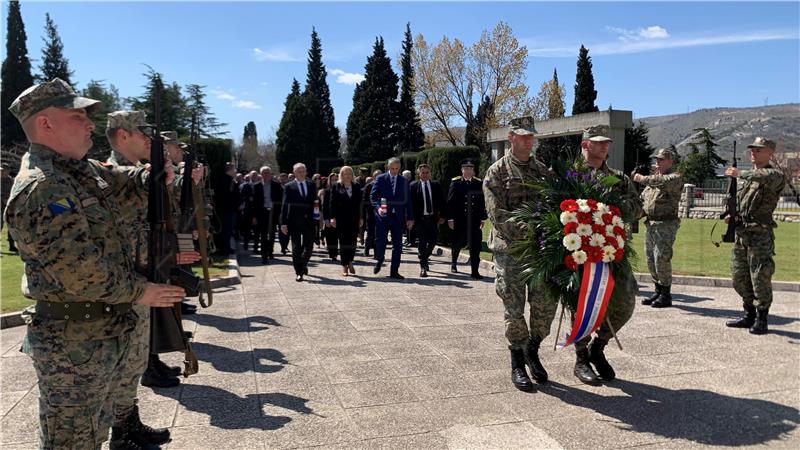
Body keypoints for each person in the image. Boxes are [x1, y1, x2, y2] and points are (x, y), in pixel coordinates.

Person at [4, 78, 186, 449]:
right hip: (72, 345)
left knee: (95, 434)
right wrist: (144, 291)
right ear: (45, 124)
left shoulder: (78, 171)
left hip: (96, 334)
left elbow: (119, 178)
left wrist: (149, 174)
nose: (90, 124)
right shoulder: (44, 187)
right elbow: (82, 274)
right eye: (77, 116)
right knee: (71, 442)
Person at [104, 110, 204, 446]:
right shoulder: (111, 174)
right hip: (126, 284)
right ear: (121, 135)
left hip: (144, 275)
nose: (149, 139)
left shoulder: (134, 172)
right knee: (125, 362)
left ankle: (129, 423)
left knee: (132, 361)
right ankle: (120, 432)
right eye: (142, 134)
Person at [484, 116, 554, 391]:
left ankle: (532, 349)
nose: (528, 140)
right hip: (510, 251)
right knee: (514, 310)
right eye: (523, 135)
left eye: (531, 136)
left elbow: (553, 204)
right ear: (511, 137)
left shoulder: (542, 171)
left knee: (545, 308)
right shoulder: (497, 172)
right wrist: (531, 231)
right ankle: (517, 362)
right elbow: (497, 214)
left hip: (538, 253)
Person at [571, 125, 643, 385]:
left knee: (625, 301)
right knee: (581, 303)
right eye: (598, 142)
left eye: (606, 142)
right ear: (585, 145)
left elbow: (637, 208)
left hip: (612, 250)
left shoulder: (619, 178)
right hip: (579, 253)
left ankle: (598, 347)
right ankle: (581, 357)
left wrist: (612, 210)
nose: (603, 146)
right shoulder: (571, 176)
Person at [725, 137, 786, 335]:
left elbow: (765, 176)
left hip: (760, 235)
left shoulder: (774, 175)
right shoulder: (746, 179)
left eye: (759, 150)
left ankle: (762, 318)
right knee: (739, 277)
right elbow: (740, 202)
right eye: (752, 149)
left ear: (770, 153)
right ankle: (748, 313)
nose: (753, 152)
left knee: (760, 277)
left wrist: (740, 173)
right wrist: (731, 216)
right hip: (742, 234)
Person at [634, 148, 683, 308]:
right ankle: (658, 289)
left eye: (661, 159)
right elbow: (643, 201)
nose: (657, 162)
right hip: (651, 224)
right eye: (657, 159)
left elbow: (661, 182)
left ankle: (666, 294)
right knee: (650, 258)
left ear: (670, 161)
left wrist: (641, 178)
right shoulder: (653, 181)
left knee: (661, 257)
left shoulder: (674, 177)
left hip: (666, 225)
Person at [371, 158, 414, 279]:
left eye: (397, 169)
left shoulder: (404, 181)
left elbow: (408, 201)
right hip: (383, 216)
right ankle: (380, 260)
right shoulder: (381, 179)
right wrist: (378, 208)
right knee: (381, 242)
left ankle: (394, 271)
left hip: (398, 217)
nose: (394, 171)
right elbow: (373, 197)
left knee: (398, 245)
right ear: (388, 167)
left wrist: (410, 218)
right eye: (392, 168)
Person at [447, 159, 487, 279]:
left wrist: (483, 218)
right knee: (457, 243)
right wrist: (450, 218)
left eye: (470, 169)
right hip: (460, 219)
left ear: (473, 170)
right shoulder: (456, 183)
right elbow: (450, 202)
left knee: (475, 246)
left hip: (474, 220)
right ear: (462, 170)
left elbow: (481, 202)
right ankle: (454, 263)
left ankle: (474, 271)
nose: (468, 171)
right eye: (466, 168)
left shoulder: (478, 183)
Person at [281, 163, 317, 281]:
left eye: (303, 171)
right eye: (299, 171)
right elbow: (285, 205)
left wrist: (318, 216)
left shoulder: (312, 184)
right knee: (296, 248)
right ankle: (299, 272)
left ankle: (303, 263)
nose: (301, 173)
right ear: (294, 172)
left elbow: (315, 202)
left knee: (309, 247)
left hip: (309, 221)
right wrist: (283, 223)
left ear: (306, 172)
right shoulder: (289, 186)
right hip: (294, 221)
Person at [410, 164, 443, 277]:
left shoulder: (436, 185)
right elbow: (410, 204)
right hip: (420, 219)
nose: (425, 175)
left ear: (430, 173)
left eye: (427, 172)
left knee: (433, 241)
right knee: (422, 243)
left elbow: (441, 201)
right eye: (422, 173)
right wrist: (410, 219)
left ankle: (424, 256)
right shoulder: (413, 186)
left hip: (432, 219)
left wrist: (442, 216)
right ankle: (423, 267)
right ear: (419, 174)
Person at [330, 166, 363, 276]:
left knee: (353, 242)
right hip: (341, 219)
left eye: (349, 173)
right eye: (345, 173)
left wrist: (361, 217)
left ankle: (350, 261)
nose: (348, 176)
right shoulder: (336, 186)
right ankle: (344, 266)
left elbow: (360, 204)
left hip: (354, 219)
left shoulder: (357, 186)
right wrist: (332, 217)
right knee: (343, 242)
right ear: (341, 175)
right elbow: (332, 203)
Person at [252, 166, 283, 264]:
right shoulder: (257, 186)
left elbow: (281, 200)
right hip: (262, 212)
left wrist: (280, 214)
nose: (266, 175)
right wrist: (254, 216)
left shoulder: (277, 185)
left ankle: (270, 251)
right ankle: (264, 254)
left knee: (272, 233)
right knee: (263, 234)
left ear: (271, 174)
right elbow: (254, 203)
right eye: (264, 173)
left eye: (268, 173)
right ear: (261, 175)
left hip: (273, 212)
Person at [214, 162, 239, 254]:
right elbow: (231, 195)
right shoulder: (229, 180)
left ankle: (223, 247)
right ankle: (225, 248)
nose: (235, 171)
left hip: (223, 209)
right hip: (228, 209)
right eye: (234, 169)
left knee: (225, 230)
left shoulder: (223, 179)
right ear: (230, 170)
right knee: (227, 230)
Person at [361, 171, 382, 257]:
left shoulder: (384, 186)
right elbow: (365, 200)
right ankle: (367, 249)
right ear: (373, 177)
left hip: (381, 213)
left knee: (379, 233)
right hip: (370, 213)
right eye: (377, 176)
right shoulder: (369, 186)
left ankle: (377, 253)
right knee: (370, 233)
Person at [321, 173, 339, 261]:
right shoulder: (327, 191)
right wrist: (326, 219)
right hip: (329, 217)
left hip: (339, 217)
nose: (334, 181)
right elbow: (324, 207)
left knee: (336, 236)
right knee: (330, 236)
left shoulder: (341, 190)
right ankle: (332, 253)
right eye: (333, 180)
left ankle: (335, 252)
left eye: (336, 179)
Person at [238, 171, 256, 251]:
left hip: (256, 210)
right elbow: (241, 197)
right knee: (247, 228)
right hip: (248, 210)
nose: (254, 177)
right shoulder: (245, 186)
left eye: (255, 175)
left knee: (256, 230)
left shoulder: (260, 185)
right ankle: (246, 244)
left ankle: (255, 246)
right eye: (253, 175)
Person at [1, 166, 17, 252]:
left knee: (11, 226)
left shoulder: (12, 181)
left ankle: (12, 246)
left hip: (9, 206)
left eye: (4, 170)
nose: (2, 172)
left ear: (8, 171)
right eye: (1, 171)